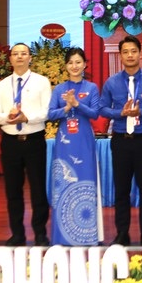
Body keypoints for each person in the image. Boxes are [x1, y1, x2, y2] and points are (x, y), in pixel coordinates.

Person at [99, 35, 142, 245]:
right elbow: (102, 108)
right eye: (125, 52)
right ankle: (122, 234)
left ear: (140, 53)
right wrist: (119, 113)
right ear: (120, 55)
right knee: (122, 190)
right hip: (121, 141)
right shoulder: (111, 82)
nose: (130, 55)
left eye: (133, 51)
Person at [0, 43, 52, 246]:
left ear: (30, 57)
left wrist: (27, 118)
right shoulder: (1, 85)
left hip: (34, 140)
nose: (19, 57)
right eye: (15, 54)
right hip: (10, 143)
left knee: (38, 188)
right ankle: (17, 234)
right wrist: (7, 118)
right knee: (13, 190)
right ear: (10, 59)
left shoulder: (42, 82)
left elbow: (47, 111)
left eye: (23, 53)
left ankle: (40, 233)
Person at [46, 47, 103, 246]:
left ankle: (86, 234)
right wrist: (67, 107)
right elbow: (50, 114)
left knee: (86, 181)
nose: (74, 66)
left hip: (84, 140)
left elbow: (95, 113)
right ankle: (62, 236)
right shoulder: (59, 89)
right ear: (65, 66)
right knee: (63, 182)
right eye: (70, 63)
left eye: (78, 62)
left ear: (85, 64)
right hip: (64, 141)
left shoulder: (92, 88)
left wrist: (77, 105)